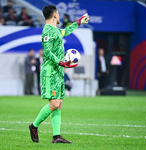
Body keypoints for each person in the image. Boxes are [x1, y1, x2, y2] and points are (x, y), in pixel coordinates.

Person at [29, 5, 89, 143]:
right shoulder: (48, 31)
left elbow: (66, 31)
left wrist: (79, 22)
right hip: (50, 72)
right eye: (58, 13)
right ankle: (34, 126)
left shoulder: (55, 30)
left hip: (57, 71)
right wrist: (61, 62)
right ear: (55, 15)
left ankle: (56, 136)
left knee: (59, 103)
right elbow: (47, 52)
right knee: (55, 103)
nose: (59, 15)